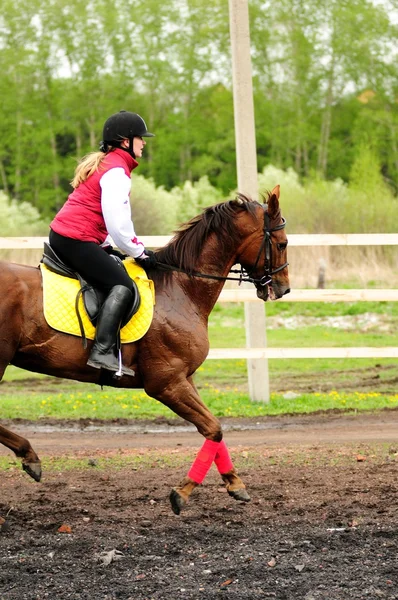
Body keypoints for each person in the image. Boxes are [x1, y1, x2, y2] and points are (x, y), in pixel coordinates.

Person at [49, 110, 157, 377]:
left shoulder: (108, 165)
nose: (144, 143)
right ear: (125, 142)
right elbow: (118, 222)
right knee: (123, 285)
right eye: (140, 138)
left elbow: (98, 216)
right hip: (75, 239)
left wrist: (108, 246)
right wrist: (138, 252)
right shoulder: (117, 172)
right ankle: (102, 352)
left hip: (70, 236)